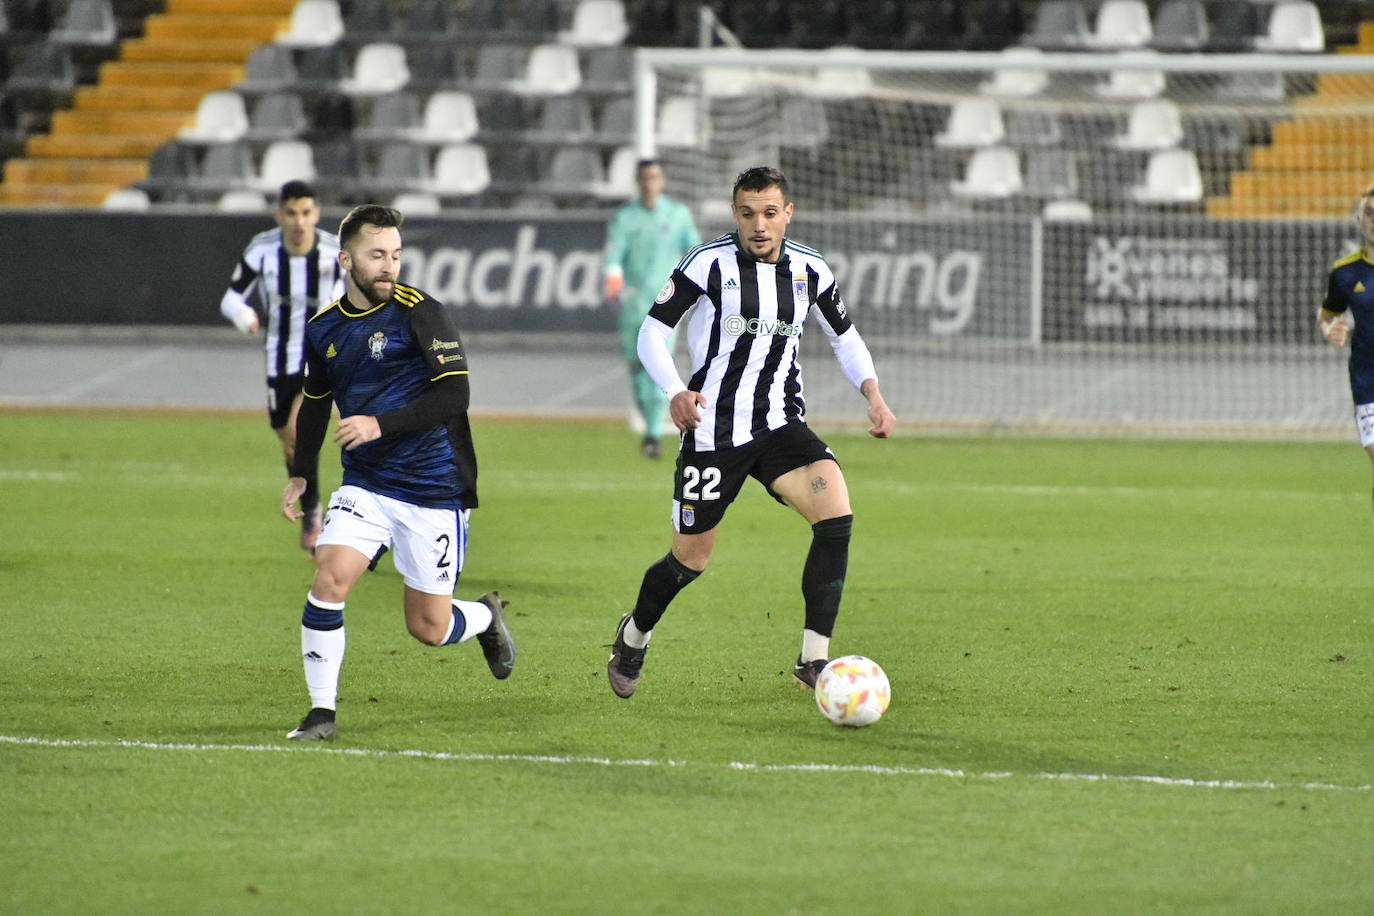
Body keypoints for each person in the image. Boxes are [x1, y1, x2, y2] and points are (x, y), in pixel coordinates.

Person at [606, 166, 896, 699]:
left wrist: (873, 393)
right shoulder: (709, 264)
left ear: (788, 213)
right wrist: (675, 390)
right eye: (747, 213)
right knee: (690, 560)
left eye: (769, 213)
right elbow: (652, 332)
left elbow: (845, 339)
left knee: (836, 517)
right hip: (713, 430)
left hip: (781, 424)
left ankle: (814, 659)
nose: (758, 225)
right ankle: (634, 634)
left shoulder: (812, 271)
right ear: (735, 214)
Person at [279, 204, 515, 741]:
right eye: (377, 254)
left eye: (396, 255)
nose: (389, 266)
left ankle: (483, 617)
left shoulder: (420, 312)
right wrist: (301, 475)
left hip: (434, 487)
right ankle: (321, 713)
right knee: (329, 577)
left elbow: (456, 395)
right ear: (346, 260)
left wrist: (379, 425)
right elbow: (316, 403)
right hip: (365, 484)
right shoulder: (324, 328)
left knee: (428, 628)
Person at [220, 180, 344, 553]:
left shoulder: (333, 252)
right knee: (287, 440)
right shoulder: (262, 249)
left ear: (316, 214)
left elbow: (354, 296)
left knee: (297, 429)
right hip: (278, 356)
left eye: (306, 212)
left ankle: (315, 515)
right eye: (291, 213)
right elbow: (230, 297)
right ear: (280, 215)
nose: (299, 221)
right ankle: (310, 504)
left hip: (318, 359)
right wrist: (244, 315)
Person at [604, 159, 701, 458]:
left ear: (663, 180)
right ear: (638, 181)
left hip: (666, 304)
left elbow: (695, 250)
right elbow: (614, 254)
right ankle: (649, 424)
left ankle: (653, 434)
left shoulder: (678, 214)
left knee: (659, 364)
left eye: (655, 177)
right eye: (645, 178)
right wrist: (613, 277)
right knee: (636, 366)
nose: (650, 183)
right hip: (633, 303)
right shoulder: (625, 218)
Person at [1319, 181, 1374, 510]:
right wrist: (1330, 330)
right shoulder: (1344, 273)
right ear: (1359, 221)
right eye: (1369, 213)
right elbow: (1327, 314)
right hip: (1369, 387)